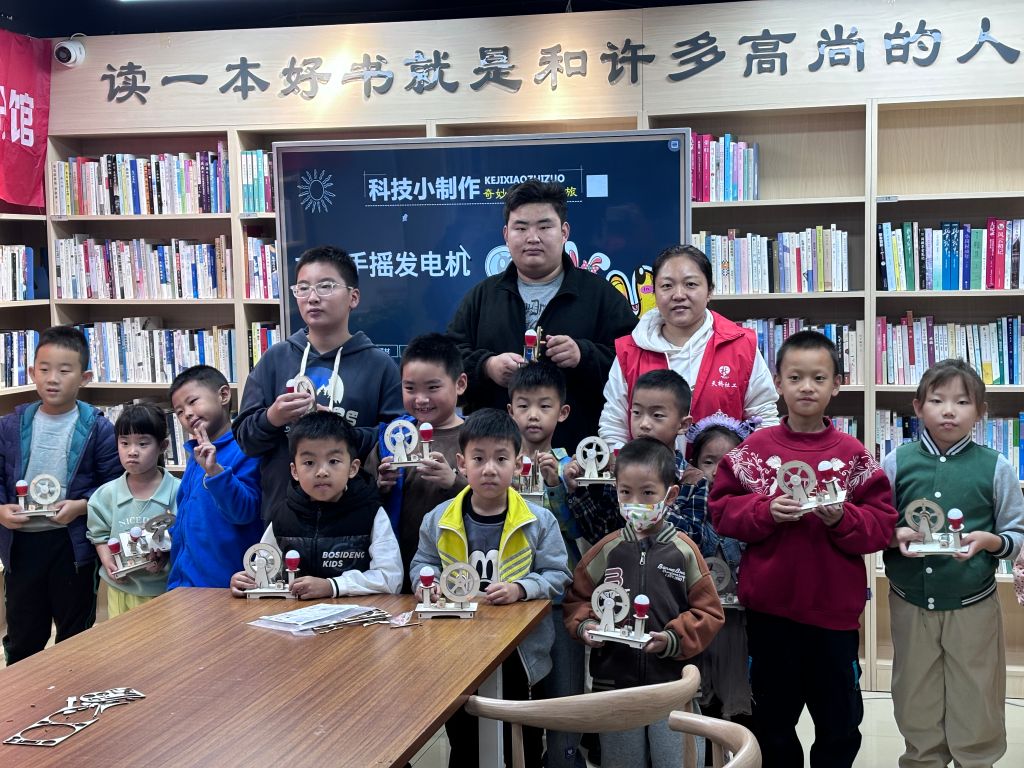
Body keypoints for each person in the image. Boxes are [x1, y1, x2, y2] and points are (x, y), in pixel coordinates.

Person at [709, 329, 898, 768]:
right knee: (773, 723)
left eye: (818, 378)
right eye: (795, 378)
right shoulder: (755, 451)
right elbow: (722, 510)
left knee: (839, 722)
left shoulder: (853, 456)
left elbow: (881, 526)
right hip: (771, 614)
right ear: (778, 383)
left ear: (837, 385)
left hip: (833, 617)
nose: (806, 387)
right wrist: (765, 511)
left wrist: (843, 519)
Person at [883, 359, 1024, 768]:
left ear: (981, 412)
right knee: (914, 695)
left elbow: (1016, 535)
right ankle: (922, 758)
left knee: (976, 694)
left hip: (973, 605)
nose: (949, 411)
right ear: (917, 407)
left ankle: (975, 760)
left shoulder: (996, 466)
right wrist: (894, 535)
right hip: (910, 602)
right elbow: (875, 526)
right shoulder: (896, 461)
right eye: (937, 400)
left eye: (962, 402)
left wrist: (991, 542)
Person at [410, 408, 571, 768]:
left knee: (521, 742)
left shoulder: (538, 520)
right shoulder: (438, 519)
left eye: (501, 459)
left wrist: (521, 589)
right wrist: (427, 585)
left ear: (518, 463)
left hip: (520, 653)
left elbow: (558, 574)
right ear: (461, 463)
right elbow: (422, 564)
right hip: (457, 649)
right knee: (465, 738)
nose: (489, 469)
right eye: (478, 459)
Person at [564, 437, 724, 768]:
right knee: (621, 761)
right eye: (626, 492)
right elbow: (577, 599)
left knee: (677, 761)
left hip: (673, 685)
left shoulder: (684, 551)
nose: (635, 502)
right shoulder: (606, 549)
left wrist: (672, 638)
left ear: (671, 495)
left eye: (648, 493)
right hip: (616, 686)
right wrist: (586, 625)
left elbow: (709, 613)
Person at [447, 179, 638, 451]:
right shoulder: (482, 297)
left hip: (579, 456)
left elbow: (635, 364)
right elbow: (449, 362)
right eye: (521, 228)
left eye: (544, 227)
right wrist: (487, 366)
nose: (532, 238)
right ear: (506, 234)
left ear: (564, 232)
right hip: (493, 458)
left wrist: (583, 355)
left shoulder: (600, 296)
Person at [233, 245, 404, 521]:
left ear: (353, 297)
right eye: (303, 288)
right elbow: (245, 441)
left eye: (325, 286)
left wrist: (341, 430)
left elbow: (397, 440)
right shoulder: (276, 358)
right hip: (284, 518)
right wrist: (273, 417)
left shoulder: (379, 365)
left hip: (355, 518)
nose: (312, 297)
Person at [0, 325, 120, 664]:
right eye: (44, 369)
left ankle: (73, 687)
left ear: (85, 378)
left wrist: (82, 506)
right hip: (21, 545)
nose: (53, 379)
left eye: (65, 371)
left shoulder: (98, 428)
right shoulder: (9, 425)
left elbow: (113, 484)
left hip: (73, 546)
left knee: (75, 636)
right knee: (23, 635)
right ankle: (24, 692)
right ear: (31, 373)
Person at [600, 244, 778, 453]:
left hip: (722, 472)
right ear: (654, 292)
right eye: (667, 286)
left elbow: (763, 419)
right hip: (647, 473)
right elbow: (614, 426)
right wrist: (632, 466)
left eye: (690, 284)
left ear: (709, 291)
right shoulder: (629, 351)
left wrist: (740, 468)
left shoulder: (741, 345)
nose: (678, 295)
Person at [230, 411, 402, 598]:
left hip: (357, 613)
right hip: (294, 613)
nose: (321, 472)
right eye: (309, 462)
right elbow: (264, 567)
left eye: (333, 461)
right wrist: (249, 579)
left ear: (353, 468)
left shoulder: (371, 512)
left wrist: (332, 586)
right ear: (294, 471)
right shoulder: (282, 515)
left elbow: (391, 577)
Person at [506, 361, 584, 768]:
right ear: (511, 411)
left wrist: (556, 485)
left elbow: (577, 530)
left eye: (544, 406)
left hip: (559, 600)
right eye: (524, 406)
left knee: (564, 698)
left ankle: (565, 758)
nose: (533, 415)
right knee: (515, 701)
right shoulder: (500, 465)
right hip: (510, 599)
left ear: (563, 412)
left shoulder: (574, 465)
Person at [363, 333, 468, 592]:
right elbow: (360, 497)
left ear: (460, 384)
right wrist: (380, 486)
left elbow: (502, 496)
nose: (420, 399)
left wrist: (455, 483)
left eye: (433, 388)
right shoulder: (392, 438)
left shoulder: (477, 439)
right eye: (410, 388)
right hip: (400, 566)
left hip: (464, 565)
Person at [678, 414, 759, 733]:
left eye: (726, 462)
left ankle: (743, 749)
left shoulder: (752, 508)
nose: (716, 471)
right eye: (708, 462)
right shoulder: (688, 507)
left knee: (743, 699)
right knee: (702, 700)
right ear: (694, 464)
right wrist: (689, 493)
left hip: (740, 624)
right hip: (699, 620)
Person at [565, 369, 700, 545]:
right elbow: (601, 532)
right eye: (636, 412)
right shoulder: (621, 470)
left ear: (683, 425)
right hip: (623, 562)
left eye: (657, 415)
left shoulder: (694, 480)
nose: (644, 424)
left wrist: (654, 504)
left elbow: (696, 540)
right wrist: (577, 491)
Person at [167, 365, 262, 589]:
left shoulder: (247, 449)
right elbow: (188, 519)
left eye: (193, 401)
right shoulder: (195, 455)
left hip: (225, 587)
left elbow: (244, 512)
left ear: (224, 395)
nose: (187, 413)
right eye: (179, 411)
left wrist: (215, 472)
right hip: (183, 586)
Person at [86, 403, 179, 617]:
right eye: (124, 443)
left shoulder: (178, 491)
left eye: (143, 443)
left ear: (163, 446)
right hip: (121, 589)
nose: (132, 452)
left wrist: (165, 557)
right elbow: (99, 535)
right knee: (123, 638)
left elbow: (183, 537)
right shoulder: (105, 495)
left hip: (164, 590)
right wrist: (108, 561)